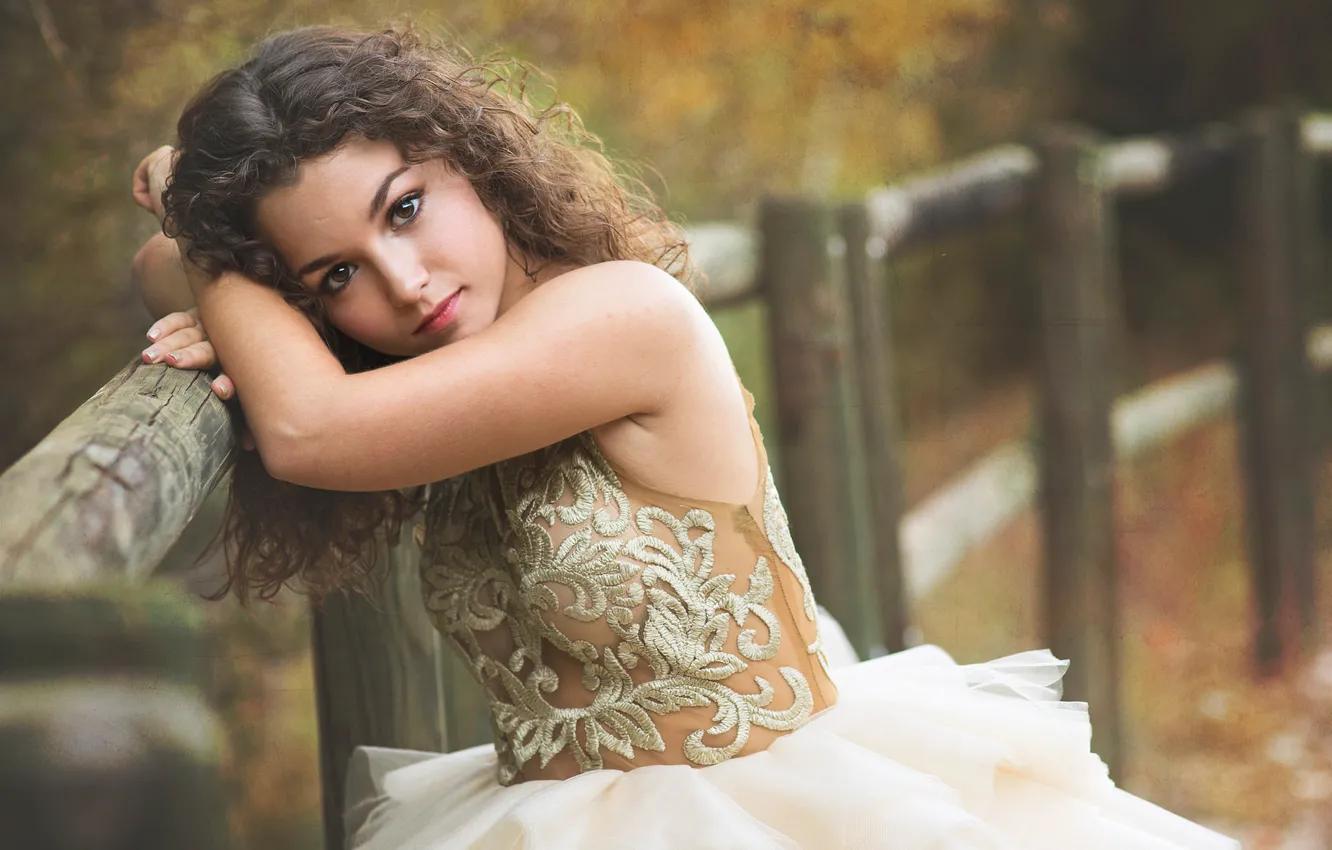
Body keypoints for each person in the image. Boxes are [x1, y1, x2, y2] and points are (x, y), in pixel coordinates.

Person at [130, 24, 1240, 850]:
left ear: (462, 154)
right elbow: (161, 280)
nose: (404, 283)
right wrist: (214, 251)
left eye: (405, 208)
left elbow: (310, 427)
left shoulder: (620, 315)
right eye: (336, 276)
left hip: (774, 807)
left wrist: (199, 222)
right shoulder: (447, 375)